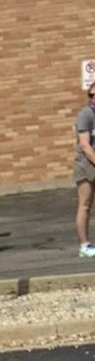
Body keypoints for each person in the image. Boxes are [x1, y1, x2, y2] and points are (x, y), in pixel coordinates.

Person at [74, 82, 95, 257]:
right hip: (86, 164)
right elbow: (85, 145)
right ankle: (84, 245)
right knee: (85, 204)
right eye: (91, 95)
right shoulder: (85, 115)